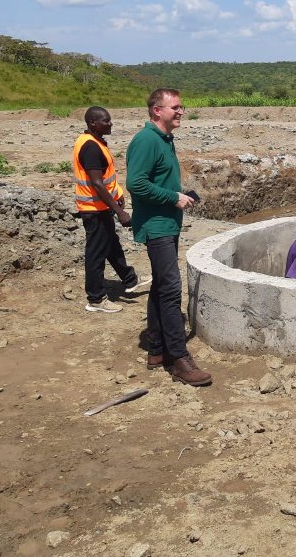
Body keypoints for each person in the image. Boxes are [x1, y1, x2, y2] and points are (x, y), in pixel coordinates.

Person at [126, 88, 211, 386]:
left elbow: (155, 180)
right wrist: (172, 197)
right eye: (174, 107)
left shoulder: (164, 139)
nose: (180, 111)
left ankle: (157, 349)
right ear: (156, 111)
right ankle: (179, 359)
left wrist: (178, 196)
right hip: (157, 226)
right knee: (172, 289)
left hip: (167, 224)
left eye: (181, 107)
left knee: (162, 285)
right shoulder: (146, 140)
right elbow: (135, 184)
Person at [73, 106, 148, 313]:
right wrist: (119, 211)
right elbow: (97, 183)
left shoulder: (94, 142)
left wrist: (118, 193)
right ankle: (96, 299)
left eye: (110, 120)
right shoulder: (90, 147)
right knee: (96, 253)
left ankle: (130, 279)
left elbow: (106, 179)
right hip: (93, 208)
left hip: (100, 206)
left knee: (112, 245)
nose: (110, 124)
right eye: (105, 121)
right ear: (93, 124)